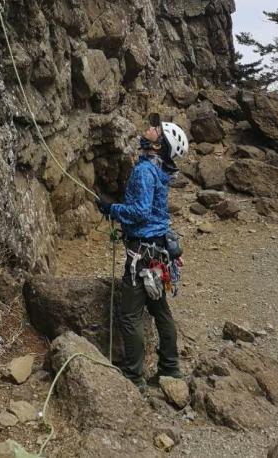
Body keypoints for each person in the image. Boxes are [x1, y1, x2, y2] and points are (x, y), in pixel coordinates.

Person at [97, 120, 189, 391]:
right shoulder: (161, 170)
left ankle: (133, 377)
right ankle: (170, 368)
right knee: (160, 308)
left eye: (155, 130)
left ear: (157, 144)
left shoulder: (145, 171)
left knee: (130, 315)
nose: (149, 128)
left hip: (143, 253)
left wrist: (111, 208)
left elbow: (140, 212)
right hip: (159, 251)